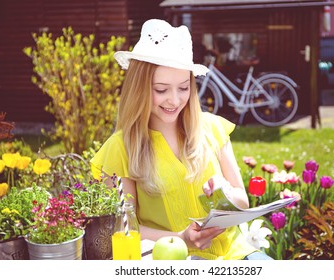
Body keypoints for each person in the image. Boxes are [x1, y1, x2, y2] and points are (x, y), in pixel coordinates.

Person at [91, 19, 271, 260]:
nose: (174, 100)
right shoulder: (121, 148)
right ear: (139, 89)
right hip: (171, 260)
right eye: (161, 90)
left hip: (235, 254)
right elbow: (122, 227)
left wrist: (225, 192)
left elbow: (242, 200)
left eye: (183, 88)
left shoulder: (212, 128)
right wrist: (181, 237)